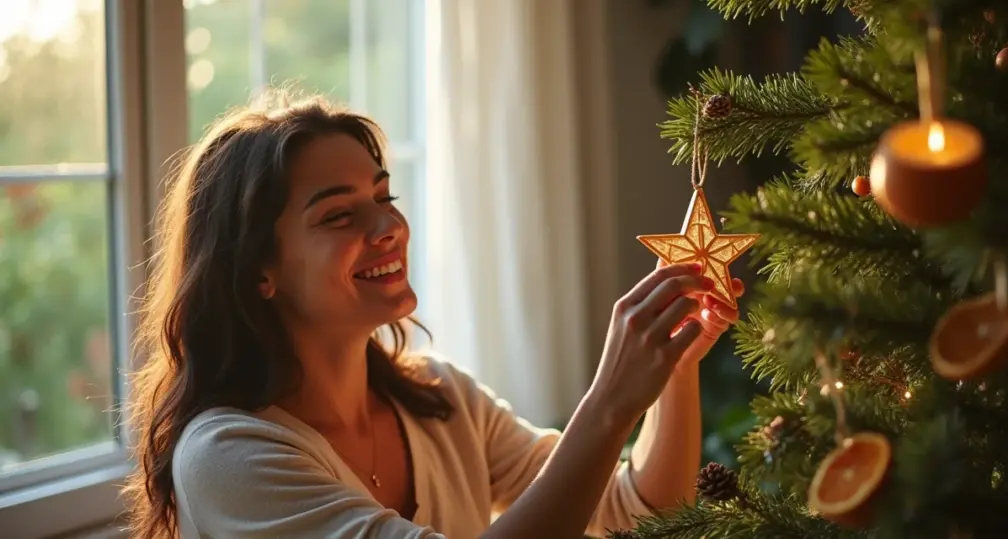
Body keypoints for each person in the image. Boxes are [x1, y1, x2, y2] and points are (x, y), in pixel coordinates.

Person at [122, 93, 746, 539]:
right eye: (340, 216)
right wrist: (609, 402)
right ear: (257, 270)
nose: (389, 227)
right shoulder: (229, 457)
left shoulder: (442, 400)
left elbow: (637, 516)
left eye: (383, 197)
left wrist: (674, 370)